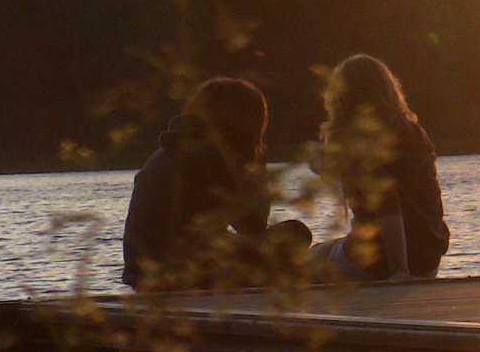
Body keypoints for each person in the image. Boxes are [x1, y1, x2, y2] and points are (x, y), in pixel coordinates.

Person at [122, 78, 309, 291]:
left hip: (141, 276)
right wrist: (256, 169)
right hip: (184, 276)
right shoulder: (218, 153)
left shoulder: (170, 149)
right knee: (296, 233)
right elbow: (253, 224)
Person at [314, 55, 448, 281]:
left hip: (382, 264)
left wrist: (399, 271)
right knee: (327, 249)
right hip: (428, 261)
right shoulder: (415, 132)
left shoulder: (354, 137)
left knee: (312, 258)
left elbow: (387, 201)